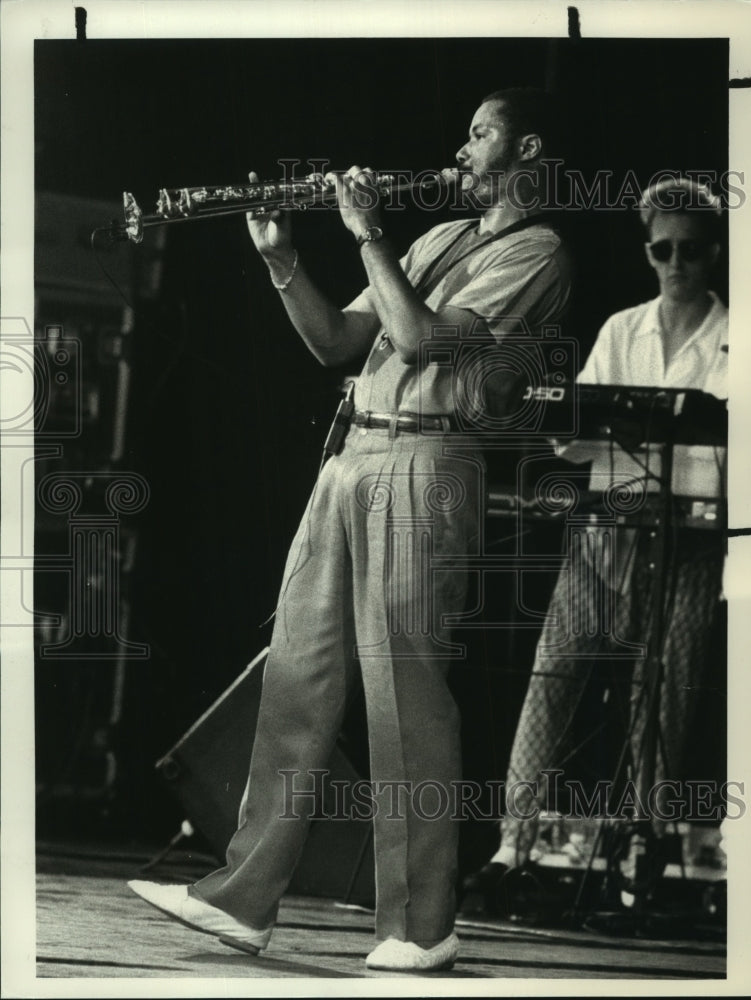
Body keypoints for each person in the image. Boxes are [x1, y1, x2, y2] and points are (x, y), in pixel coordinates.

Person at [128, 87, 571, 972]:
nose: (462, 145)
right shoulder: (441, 237)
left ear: (528, 153)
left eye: (482, 132)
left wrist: (366, 232)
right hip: (352, 458)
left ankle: (420, 926)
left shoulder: (539, 250)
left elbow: (413, 338)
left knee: (404, 697)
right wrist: (284, 258)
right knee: (297, 676)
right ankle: (244, 898)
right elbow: (337, 342)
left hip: (427, 466)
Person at [463, 177, 728, 906]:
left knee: (662, 699)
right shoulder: (622, 330)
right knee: (551, 682)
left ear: (714, 255)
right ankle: (511, 846)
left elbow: (726, 450)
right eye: (664, 249)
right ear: (648, 253)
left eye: (693, 251)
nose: (677, 263)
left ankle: (644, 843)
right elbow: (579, 439)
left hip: (687, 550)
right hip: (605, 540)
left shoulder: (740, 338)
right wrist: (560, 421)